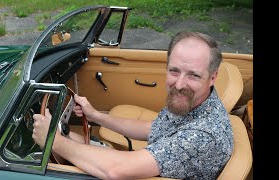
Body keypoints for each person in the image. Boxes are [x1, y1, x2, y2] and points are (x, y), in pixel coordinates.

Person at [32, 31, 233, 179]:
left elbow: (115, 170)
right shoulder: (196, 104)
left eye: (193, 75)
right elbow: (153, 128)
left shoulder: (202, 136)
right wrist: (95, 116)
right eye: (174, 71)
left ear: (212, 77)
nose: (179, 84)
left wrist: (52, 140)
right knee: (70, 137)